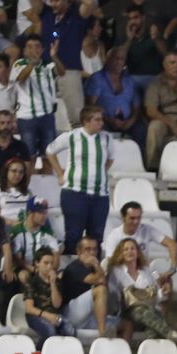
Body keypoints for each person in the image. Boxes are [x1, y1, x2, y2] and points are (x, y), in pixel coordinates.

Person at [46, 105, 114, 253]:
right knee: (73, 236)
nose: (101, 123)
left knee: (96, 238)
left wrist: (98, 173)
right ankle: (73, 266)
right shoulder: (71, 136)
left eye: (101, 119)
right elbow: (50, 151)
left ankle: (93, 266)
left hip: (100, 196)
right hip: (74, 193)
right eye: (97, 120)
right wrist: (60, 173)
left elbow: (110, 159)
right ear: (86, 121)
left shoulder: (107, 138)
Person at [108, 238, 177, 340]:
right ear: (121, 253)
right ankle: (168, 333)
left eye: (132, 249)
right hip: (127, 312)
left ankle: (153, 346)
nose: (129, 251)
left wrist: (163, 291)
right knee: (140, 311)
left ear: (137, 252)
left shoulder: (148, 270)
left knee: (153, 323)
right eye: (126, 249)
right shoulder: (116, 271)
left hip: (148, 310)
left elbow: (157, 288)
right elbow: (112, 293)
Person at [16, 34, 66, 159]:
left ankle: (46, 172)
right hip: (27, 117)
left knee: (49, 155)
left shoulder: (48, 65)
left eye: (37, 46)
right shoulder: (19, 64)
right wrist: (32, 64)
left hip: (47, 116)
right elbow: (20, 79)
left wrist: (54, 56)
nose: (34, 50)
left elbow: (62, 72)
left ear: (43, 49)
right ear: (24, 50)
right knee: (28, 156)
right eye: (30, 47)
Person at [87, 48, 146, 147]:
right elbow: (90, 105)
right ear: (108, 59)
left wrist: (130, 122)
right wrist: (109, 120)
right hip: (103, 120)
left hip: (127, 122)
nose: (119, 61)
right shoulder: (97, 78)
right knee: (97, 128)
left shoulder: (130, 81)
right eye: (115, 58)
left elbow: (137, 107)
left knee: (141, 130)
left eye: (122, 59)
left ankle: (139, 156)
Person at [60, 234, 113, 335]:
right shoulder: (74, 268)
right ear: (79, 252)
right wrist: (96, 264)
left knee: (126, 324)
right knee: (100, 290)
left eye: (94, 249)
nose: (92, 253)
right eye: (88, 249)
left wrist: (96, 266)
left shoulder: (93, 268)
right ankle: (102, 333)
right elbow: (101, 280)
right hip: (71, 313)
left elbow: (104, 282)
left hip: (88, 316)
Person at [103, 200, 177, 265]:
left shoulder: (147, 229)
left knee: (164, 279)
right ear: (123, 218)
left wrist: (172, 268)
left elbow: (172, 244)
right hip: (122, 273)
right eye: (132, 218)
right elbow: (110, 261)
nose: (136, 222)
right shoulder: (114, 236)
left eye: (138, 218)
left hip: (145, 271)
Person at [24, 248, 73, 338]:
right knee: (50, 331)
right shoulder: (31, 282)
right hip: (36, 315)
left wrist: (53, 283)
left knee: (70, 330)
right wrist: (47, 316)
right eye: (46, 263)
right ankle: (40, 347)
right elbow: (29, 308)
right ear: (37, 263)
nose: (49, 266)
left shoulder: (57, 282)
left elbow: (57, 305)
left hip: (54, 314)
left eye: (51, 263)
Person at [11, 196, 60, 272]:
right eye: (41, 212)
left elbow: (56, 257)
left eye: (45, 212)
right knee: (24, 276)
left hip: (44, 271)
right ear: (30, 212)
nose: (45, 216)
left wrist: (51, 271)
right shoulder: (17, 230)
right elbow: (17, 259)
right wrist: (33, 269)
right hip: (24, 269)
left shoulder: (48, 232)